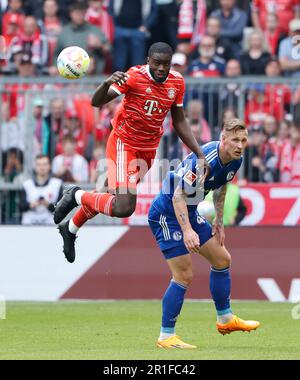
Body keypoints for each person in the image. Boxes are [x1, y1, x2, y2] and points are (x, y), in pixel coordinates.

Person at [53, 42, 209, 263]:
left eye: (166, 64)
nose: (162, 69)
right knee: (124, 206)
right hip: (124, 143)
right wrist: (106, 82)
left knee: (104, 194)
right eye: (157, 64)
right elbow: (97, 102)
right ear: (148, 62)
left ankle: (70, 228)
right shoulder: (134, 76)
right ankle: (75, 195)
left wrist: (200, 153)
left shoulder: (177, 82)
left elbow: (179, 120)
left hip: (148, 150)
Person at [148, 118, 260, 349]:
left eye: (244, 140)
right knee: (184, 274)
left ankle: (225, 319)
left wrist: (219, 220)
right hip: (167, 213)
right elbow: (178, 196)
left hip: (188, 210)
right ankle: (166, 336)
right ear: (223, 139)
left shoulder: (235, 159)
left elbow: (222, 185)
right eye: (235, 140)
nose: (240, 145)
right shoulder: (204, 162)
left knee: (222, 259)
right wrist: (187, 230)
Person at [20, 154, 63, 225]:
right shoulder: (27, 185)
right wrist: (31, 205)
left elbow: (61, 209)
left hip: (50, 225)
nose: (42, 167)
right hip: (28, 225)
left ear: (49, 166)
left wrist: (47, 204)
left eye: (44, 164)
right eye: (39, 165)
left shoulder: (57, 184)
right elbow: (21, 206)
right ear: (35, 167)